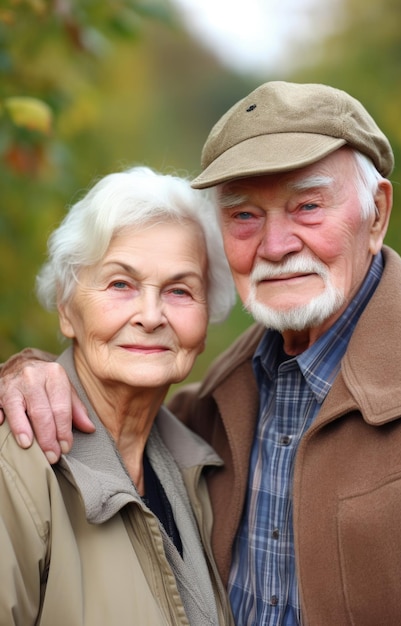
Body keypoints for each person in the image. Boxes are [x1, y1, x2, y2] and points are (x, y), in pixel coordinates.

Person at [1, 81, 401, 625]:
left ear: (377, 214)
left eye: (308, 206)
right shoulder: (211, 412)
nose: (275, 245)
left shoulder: (184, 441)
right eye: (245, 215)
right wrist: (25, 370)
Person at [0, 165, 236, 625]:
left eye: (180, 290)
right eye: (121, 284)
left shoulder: (194, 467)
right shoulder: (18, 466)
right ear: (67, 309)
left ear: (206, 323)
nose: (151, 316)